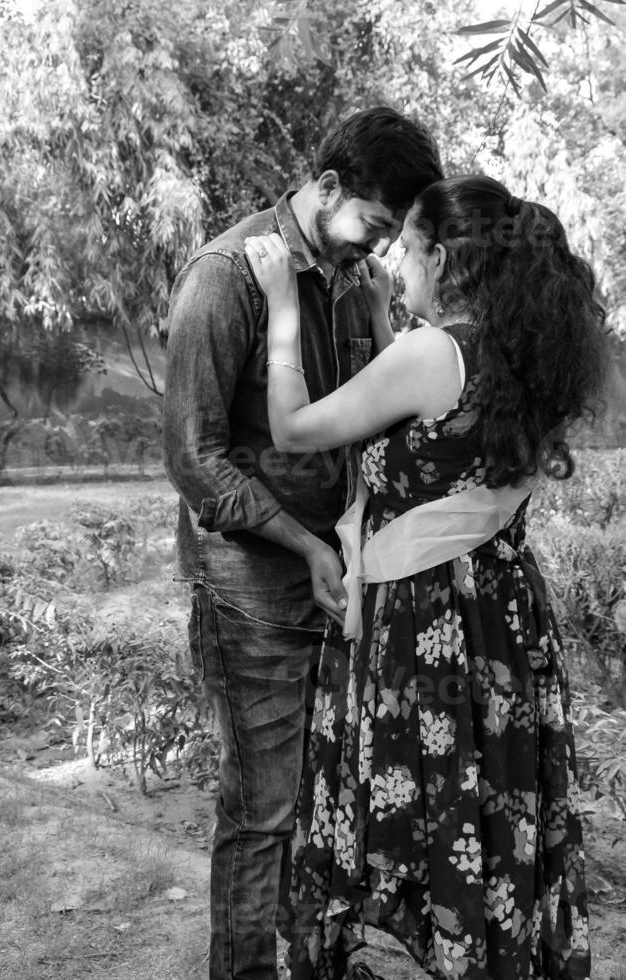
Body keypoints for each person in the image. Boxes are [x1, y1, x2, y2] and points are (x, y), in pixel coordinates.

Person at [243, 174, 603, 979]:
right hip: (502, 618)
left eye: (404, 248)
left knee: (411, 805)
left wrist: (283, 309)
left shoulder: (426, 354)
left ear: (440, 258)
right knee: (482, 800)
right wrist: (384, 312)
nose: (391, 261)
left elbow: (295, 427)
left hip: (422, 624)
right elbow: (436, 427)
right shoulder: (522, 355)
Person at [162, 107, 443, 980]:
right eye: (375, 225)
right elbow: (196, 462)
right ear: (326, 190)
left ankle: (315, 962)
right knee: (261, 814)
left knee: (325, 803)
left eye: (395, 235)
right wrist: (305, 544)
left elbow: (368, 422)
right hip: (252, 590)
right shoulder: (223, 277)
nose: (380, 248)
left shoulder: (357, 284)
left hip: (337, 584)